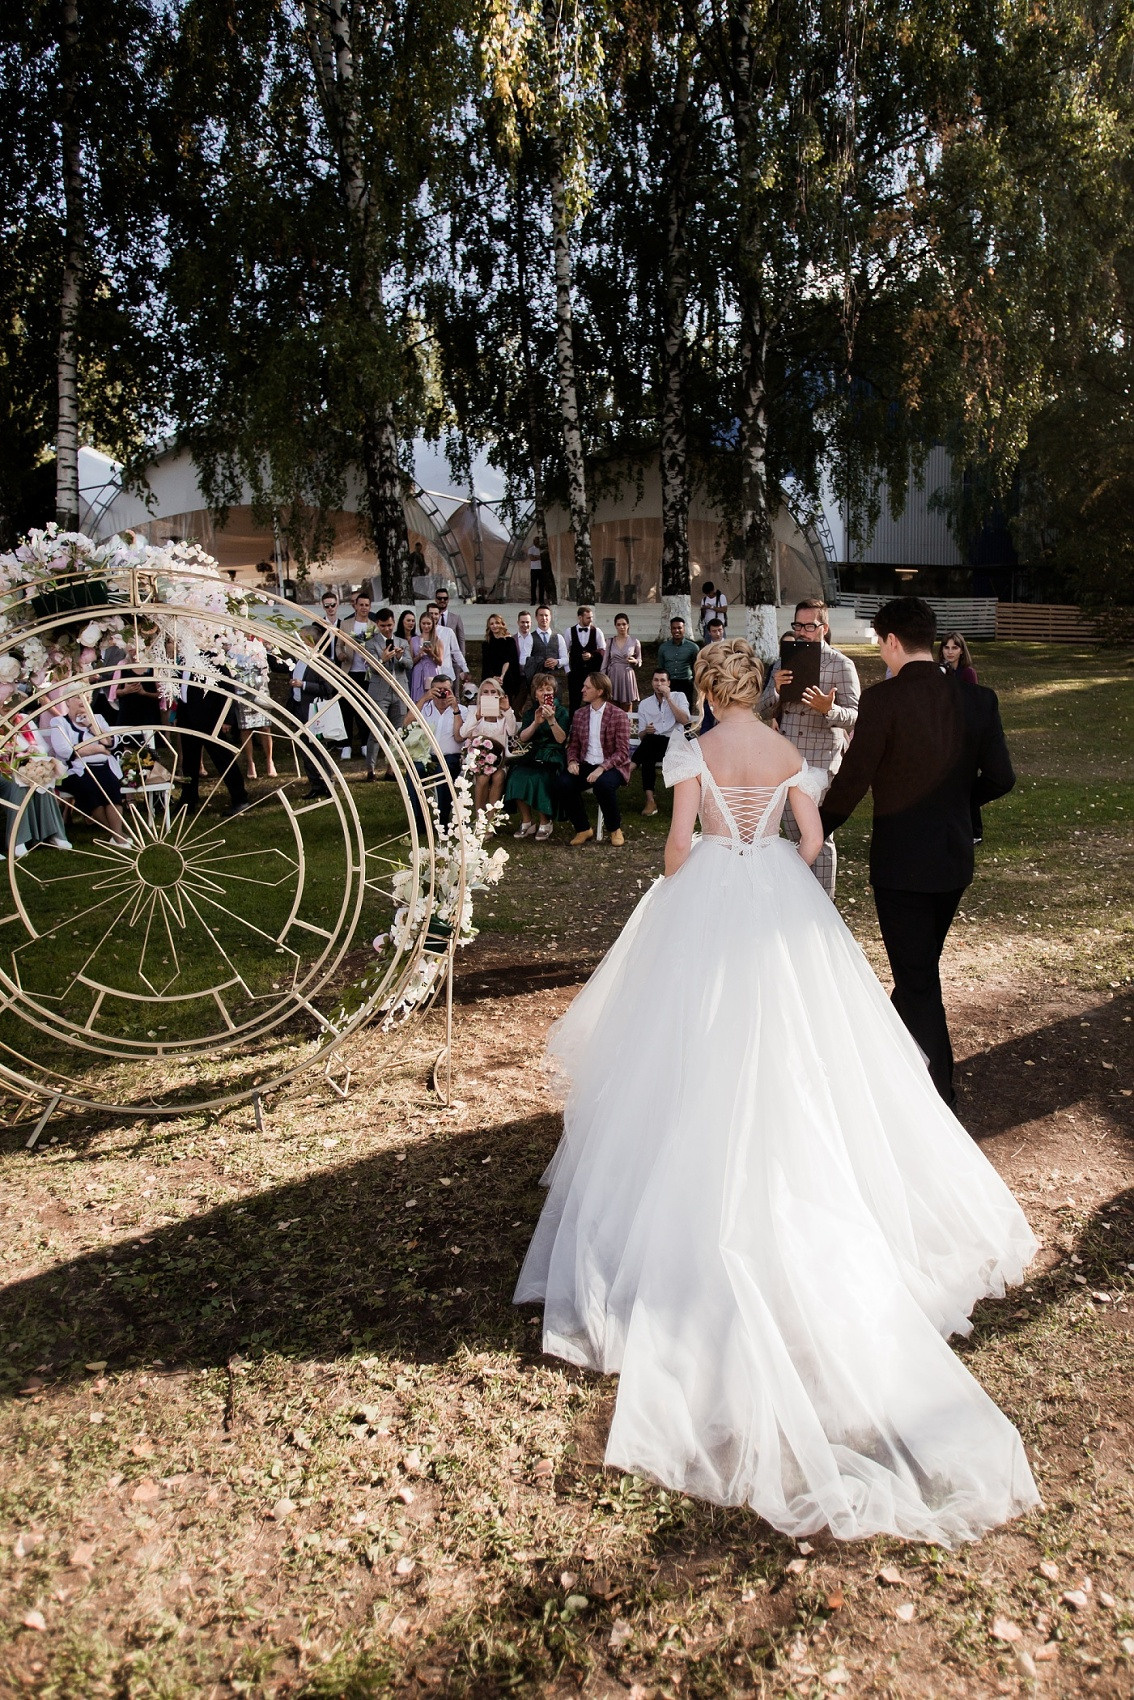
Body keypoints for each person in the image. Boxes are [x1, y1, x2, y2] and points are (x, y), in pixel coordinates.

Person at [515, 635, 1039, 1545]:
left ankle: (692, 1191)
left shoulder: (693, 752)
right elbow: (810, 835)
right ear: (756, 690)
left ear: (710, 694)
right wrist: (777, 879)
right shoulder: (787, 751)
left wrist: (709, 865)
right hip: (779, 907)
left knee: (689, 1055)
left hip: (712, 904)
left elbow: (678, 850)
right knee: (801, 1054)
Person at [821, 596, 1016, 1108]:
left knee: (918, 979)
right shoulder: (979, 700)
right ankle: (885, 1065)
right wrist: (956, 802)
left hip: (903, 866)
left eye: (880, 645)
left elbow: (851, 783)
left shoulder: (884, 702)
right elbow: (1001, 777)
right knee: (917, 971)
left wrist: (814, 830)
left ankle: (939, 1101)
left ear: (890, 642)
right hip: (952, 862)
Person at [759, 597, 859, 899]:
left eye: (809, 626)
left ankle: (823, 907)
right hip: (786, 760)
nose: (802, 632)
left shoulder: (842, 664)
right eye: (797, 625)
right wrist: (775, 688)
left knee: (818, 834)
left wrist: (829, 709)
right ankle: (798, 899)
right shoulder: (782, 661)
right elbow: (763, 710)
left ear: (823, 628)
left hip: (821, 763)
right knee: (791, 834)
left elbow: (855, 717)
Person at [555, 671, 631, 847]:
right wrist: (572, 761)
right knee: (563, 783)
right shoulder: (580, 714)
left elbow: (622, 752)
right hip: (586, 764)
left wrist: (602, 768)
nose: (582, 690)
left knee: (603, 784)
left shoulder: (618, 715)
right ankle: (583, 829)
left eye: (587, 687)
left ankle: (614, 829)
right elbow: (573, 744)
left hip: (612, 767)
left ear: (600, 691)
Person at [48, 696, 130, 845]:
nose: (82, 701)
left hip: (103, 767)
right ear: (67, 701)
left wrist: (91, 725)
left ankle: (117, 835)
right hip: (73, 771)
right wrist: (97, 748)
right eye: (78, 697)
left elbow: (111, 743)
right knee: (90, 790)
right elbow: (64, 751)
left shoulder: (97, 718)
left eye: (87, 697)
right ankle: (117, 835)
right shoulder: (59, 722)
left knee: (112, 788)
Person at [505, 671, 570, 841]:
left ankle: (545, 821)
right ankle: (527, 821)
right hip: (533, 753)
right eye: (540, 690)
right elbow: (523, 738)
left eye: (548, 689)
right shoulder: (530, 712)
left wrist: (551, 720)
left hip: (553, 754)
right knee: (516, 775)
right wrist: (536, 722)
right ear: (535, 694)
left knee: (540, 778)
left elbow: (561, 739)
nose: (544, 693)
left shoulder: (562, 712)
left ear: (554, 692)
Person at [633, 668, 690, 816]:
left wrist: (668, 698)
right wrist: (646, 731)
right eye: (656, 680)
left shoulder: (679, 696)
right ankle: (650, 801)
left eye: (662, 680)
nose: (659, 683)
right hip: (653, 747)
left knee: (650, 744)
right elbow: (641, 736)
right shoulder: (645, 704)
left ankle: (630, 767)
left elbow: (684, 720)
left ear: (668, 683)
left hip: (675, 745)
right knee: (649, 750)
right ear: (652, 683)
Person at [362, 607, 411, 781]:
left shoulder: (402, 641)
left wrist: (398, 657)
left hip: (399, 691)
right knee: (377, 731)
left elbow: (410, 664)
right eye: (383, 626)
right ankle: (371, 769)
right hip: (379, 691)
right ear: (377, 625)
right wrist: (382, 659)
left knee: (398, 732)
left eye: (389, 625)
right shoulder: (371, 643)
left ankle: (391, 769)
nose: (387, 629)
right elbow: (370, 667)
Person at [413, 672, 463, 828]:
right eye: (438, 690)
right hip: (427, 756)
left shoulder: (462, 710)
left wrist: (455, 709)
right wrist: (424, 698)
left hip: (451, 757)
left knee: (444, 771)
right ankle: (419, 821)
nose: (442, 694)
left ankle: (442, 820)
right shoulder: (425, 707)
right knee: (415, 771)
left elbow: (459, 737)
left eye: (445, 690)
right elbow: (406, 724)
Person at [460, 677, 516, 813]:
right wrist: (477, 717)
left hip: (499, 759)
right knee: (483, 777)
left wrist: (507, 709)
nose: (489, 695)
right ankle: (480, 817)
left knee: (498, 777)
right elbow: (463, 733)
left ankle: (490, 819)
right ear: (480, 695)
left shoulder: (505, 713)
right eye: (485, 692)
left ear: (498, 694)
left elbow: (513, 731)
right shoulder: (474, 711)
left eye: (493, 692)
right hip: (478, 758)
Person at [335, 590, 377, 762]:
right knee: (346, 709)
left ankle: (365, 744)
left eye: (367, 605)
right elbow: (339, 645)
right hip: (349, 671)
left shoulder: (373, 626)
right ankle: (346, 745)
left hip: (366, 674)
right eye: (361, 605)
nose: (364, 608)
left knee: (365, 709)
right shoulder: (345, 624)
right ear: (355, 606)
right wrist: (341, 655)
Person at [567, 605, 606, 716]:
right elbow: (565, 651)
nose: (591, 620)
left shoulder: (597, 631)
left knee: (591, 701)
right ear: (580, 617)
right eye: (588, 617)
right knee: (574, 702)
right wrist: (568, 671)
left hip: (592, 673)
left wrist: (592, 655)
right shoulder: (569, 631)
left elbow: (603, 650)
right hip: (575, 673)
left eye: (591, 617)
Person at [657, 616, 700, 716]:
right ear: (671, 630)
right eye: (674, 628)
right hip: (669, 683)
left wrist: (695, 682)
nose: (677, 630)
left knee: (686, 707)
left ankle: (686, 730)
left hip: (685, 683)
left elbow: (696, 667)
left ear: (684, 629)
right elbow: (661, 667)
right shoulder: (663, 648)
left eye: (679, 628)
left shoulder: (693, 647)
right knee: (667, 708)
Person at [601, 612, 642, 709]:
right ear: (615, 626)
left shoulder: (634, 641)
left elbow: (640, 660)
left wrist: (635, 661)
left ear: (628, 625)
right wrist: (602, 678)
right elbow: (605, 661)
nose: (621, 627)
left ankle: (628, 724)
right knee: (612, 704)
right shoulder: (610, 641)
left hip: (627, 675)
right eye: (618, 624)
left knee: (627, 707)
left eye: (624, 624)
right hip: (613, 674)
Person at [426, 599, 470, 684]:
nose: (433, 616)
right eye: (431, 613)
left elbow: (456, 652)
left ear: (439, 615)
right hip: (428, 674)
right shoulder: (420, 633)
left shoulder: (448, 632)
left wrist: (465, 669)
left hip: (446, 674)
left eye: (436, 614)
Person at [482, 614, 521, 706]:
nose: (494, 626)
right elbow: (486, 664)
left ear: (502, 624)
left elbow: (509, 660)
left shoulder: (509, 641)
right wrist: (492, 677)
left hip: (507, 680)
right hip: (491, 680)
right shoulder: (486, 644)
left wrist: (501, 677)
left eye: (497, 623)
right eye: (491, 624)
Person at [525, 605, 568, 681]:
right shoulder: (530, 637)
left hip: (555, 679)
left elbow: (565, 659)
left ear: (550, 617)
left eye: (546, 615)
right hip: (538, 679)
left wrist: (557, 661)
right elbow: (523, 659)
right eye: (541, 615)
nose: (544, 618)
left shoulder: (559, 637)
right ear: (536, 617)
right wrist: (541, 663)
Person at [409, 609, 444, 701]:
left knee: (432, 697)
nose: (426, 626)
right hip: (418, 672)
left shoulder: (437, 641)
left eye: (428, 623)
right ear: (420, 624)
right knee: (418, 699)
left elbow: (440, 662)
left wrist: (430, 653)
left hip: (431, 671)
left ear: (432, 624)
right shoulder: (414, 640)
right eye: (423, 623)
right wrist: (420, 654)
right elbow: (410, 662)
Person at [433, 586, 466, 658]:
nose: (442, 600)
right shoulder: (430, 618)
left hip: (452, 659)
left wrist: (461, 659)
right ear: (435, 599)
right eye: (439, 598)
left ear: (448, 600)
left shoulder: (456, 618)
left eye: (445, 598)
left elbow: (461, 640)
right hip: (435, 657)